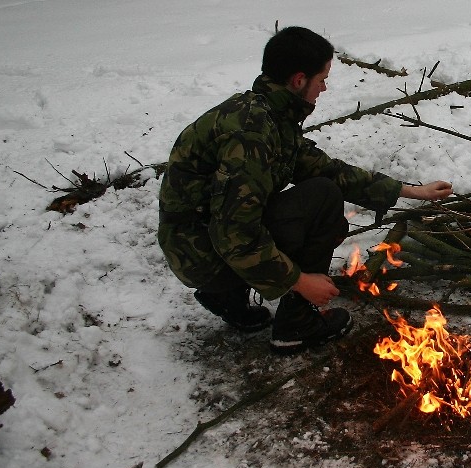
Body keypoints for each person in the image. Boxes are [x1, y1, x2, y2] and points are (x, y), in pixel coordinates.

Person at [158, 27, 453, 355]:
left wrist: (411, 191)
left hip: (197, 244)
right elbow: (235, 234)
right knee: (322, 199)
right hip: (204, 252)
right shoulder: (252, 134)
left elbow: (326, 169)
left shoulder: (267, 114)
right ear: (299, 80)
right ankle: (295, 325)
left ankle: (226, 296)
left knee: (322, 187)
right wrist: (300, 281)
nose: (324, 88)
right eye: (322, 78)